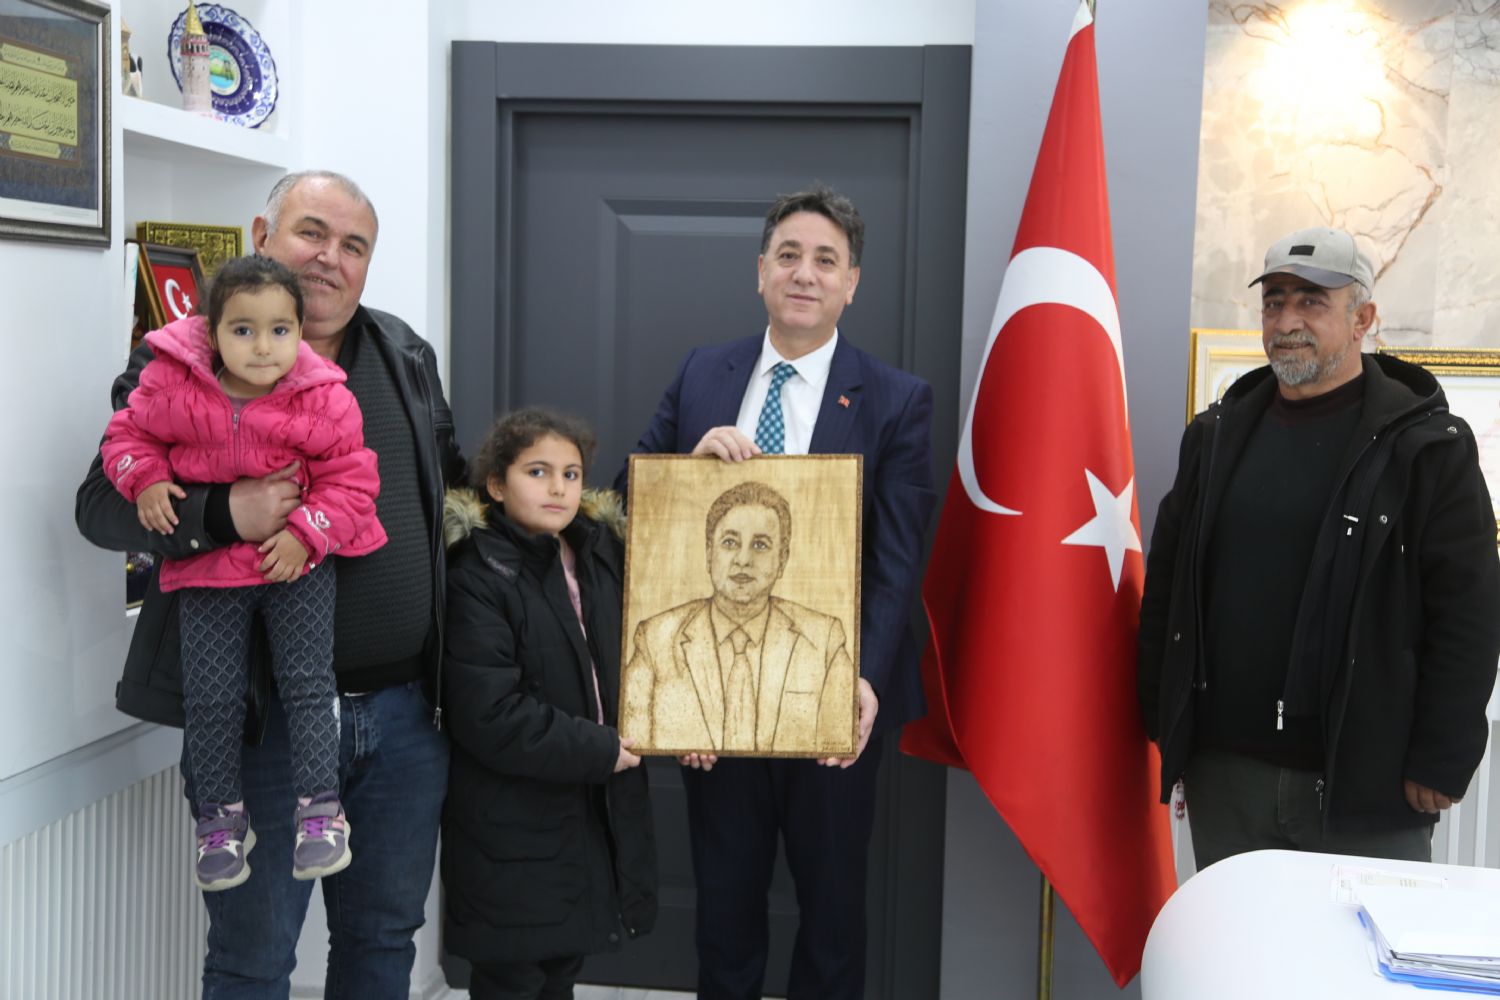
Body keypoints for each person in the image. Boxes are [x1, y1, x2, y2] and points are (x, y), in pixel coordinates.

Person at [76, 170, 466, 997]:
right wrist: (225, 514)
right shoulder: (182, 358)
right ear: (263, 236)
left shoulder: (404, 353)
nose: (330, 259)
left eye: (353, 246)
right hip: (264, 720)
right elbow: (101, 504)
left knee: (383, 942)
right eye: (311, 233)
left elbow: (452, 498)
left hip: (403, 719)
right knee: (254, 962)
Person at [618, 184, 935, 1000]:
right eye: (788, 255)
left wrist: (860, 680)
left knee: (833, 910)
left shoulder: (897, 399)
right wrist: (689, 468)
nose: (804, 273)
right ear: (760, 271)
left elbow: (898, 559)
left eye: (825, 260)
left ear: (851, 282)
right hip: (713, 704)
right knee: (725, 907)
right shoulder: (703, 374)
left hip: (833, 698)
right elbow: (627, 502)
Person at [1137, 225, 1500, 870]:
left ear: (1363, 318)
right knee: (1239, 968)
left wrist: (1443, 756)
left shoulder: (1428, 449)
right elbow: (1168, 586)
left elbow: (1469, 612)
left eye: (1311, 301)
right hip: (1229, 777)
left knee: (1358, 969)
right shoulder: (1216, 437)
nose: (1288, 320)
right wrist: (1165, 723)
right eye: (1274, 302)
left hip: (1369, 783)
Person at [99, 255, 386, 891]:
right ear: (211, 330)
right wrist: (145, 480)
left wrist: (307, 533)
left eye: (280, 330)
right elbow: (124, 442)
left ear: (298, 329)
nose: (263, 347)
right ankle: (219, 822)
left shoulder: (324, 395)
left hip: (296, 566)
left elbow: (354, 480)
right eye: (244, 330)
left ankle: (321, 811)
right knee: (211, 699)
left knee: (310, 683)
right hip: (206, 570)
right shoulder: (171, 382)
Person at [441, 407, 656, 1000]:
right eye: (537, 471)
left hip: (584, 809)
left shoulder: (599, 557)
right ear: (495, 483)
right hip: (511, 822)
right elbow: (490, 714)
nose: (558, 487)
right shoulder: (477, 574)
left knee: (560, 969)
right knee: (515, 975)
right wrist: (604, 749)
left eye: (571, 473)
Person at [621, 480, 854, 754]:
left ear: (782, 560)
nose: (743, 559)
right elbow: (633, 738)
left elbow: (837, 737)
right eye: (729, 542)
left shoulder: (824, 640)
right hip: (705, 782)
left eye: (760, 545)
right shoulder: (655, 639)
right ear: (709, 554)